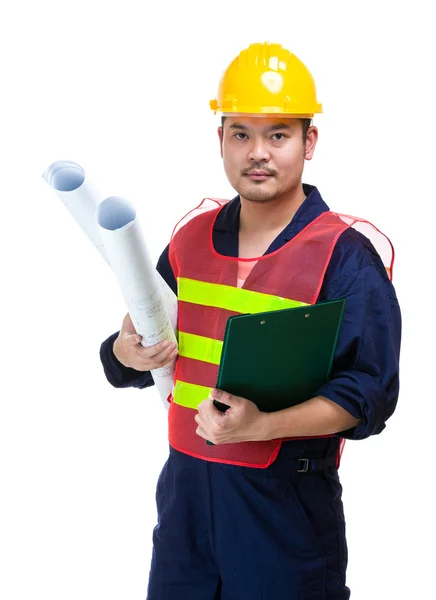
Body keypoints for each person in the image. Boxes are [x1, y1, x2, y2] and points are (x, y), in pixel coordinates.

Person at [100, 42, 401, 599]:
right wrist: (125, 352)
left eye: (278, 134)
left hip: (283, 516)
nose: (257, 152)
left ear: (309, 142)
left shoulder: (344, 256)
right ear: (220, 139)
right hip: (185, 510)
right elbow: (138, 355)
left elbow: (370, 396)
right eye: (240, 133)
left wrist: (259, 427)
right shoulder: (190, 240)